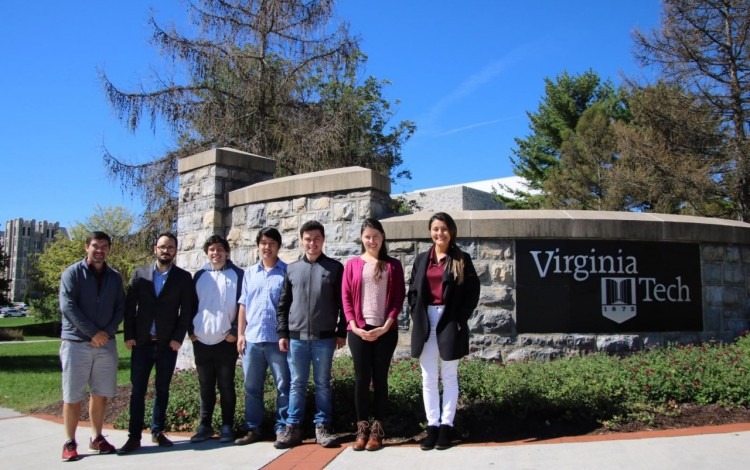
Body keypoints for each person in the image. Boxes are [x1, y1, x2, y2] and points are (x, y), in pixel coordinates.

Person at [118, 233, 196, 455]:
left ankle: (157, 431)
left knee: (163, 389)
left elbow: (186, 311)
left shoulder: (183, 278)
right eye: (162, 247)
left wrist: (177, 338)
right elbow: (129, 307)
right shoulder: (140, 274)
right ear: (155, 249)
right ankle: (134, 437)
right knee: (137, 391)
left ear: (176, 251)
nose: (166, 251)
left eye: (170, 247)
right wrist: (129, 335)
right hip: (142, 343)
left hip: (166, 345)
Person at [408, 212, 480, 451]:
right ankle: (432, 426)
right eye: (436, 229)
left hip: (450, 319)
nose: (440, 233)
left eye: (444, 229)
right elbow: (413, 291)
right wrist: (415, 313)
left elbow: (473, 292)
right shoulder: (421, 259)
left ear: (452, 231)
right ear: (430, 231)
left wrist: (460, 319)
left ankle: (447, 426)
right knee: (428, 377)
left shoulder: (462, 259)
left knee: (449, 375)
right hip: (425, 320)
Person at [274, 220, 346, 449]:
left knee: (323, 383)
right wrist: (282, 333)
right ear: (302, 240)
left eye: (316, 238)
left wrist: (341, 331)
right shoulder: (292, 269)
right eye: (307, 239)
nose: (312, 243)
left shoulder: (335, 268)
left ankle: (322, 427)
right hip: (296, 338)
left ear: (323, 240)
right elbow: (283, 305)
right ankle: (292, 427)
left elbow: (344, 304)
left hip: (324, 338)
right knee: (297, 383)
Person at [58, 231, 125, 461]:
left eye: (104, 246)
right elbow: (68, 307)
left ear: (109, 249)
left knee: (100, 393)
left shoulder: (114, 278)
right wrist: (92, 332)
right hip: (76, 343)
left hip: (105, 344)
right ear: (86, 247)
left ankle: (96, 437)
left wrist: (105, 333)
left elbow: (120, 308)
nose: (100, 250)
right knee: (72, 395)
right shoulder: (72, 274)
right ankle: (69, 442)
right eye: (95, 246)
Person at [342, 218, 405, 451]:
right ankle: (361, 429)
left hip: (385, 331)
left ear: (382, 238)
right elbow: (346, 298)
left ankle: (377, 431)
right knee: (361, 380)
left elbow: (398, 298)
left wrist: (386, 325)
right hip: (358, 330)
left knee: (380, 380)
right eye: (367, 236)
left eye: (376, 236)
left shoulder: (393, 265)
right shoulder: (352, 265)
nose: (371, 240)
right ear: (362, 238)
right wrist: (354, 326)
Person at [234, 227, 290, 445]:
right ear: (258, 245)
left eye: (272, 243)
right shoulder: (249, 273)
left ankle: (282, 428)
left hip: (277, 341)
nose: (267, 247)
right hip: (252, 340)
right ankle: (253, 429)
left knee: (283, 385)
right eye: (263, 243)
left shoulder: (286, 271)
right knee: (251, 387)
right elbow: (243, 305)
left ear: (278, 246)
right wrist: (240, 334)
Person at [190, 234, 244, 444]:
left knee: (226, 385)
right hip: (201, 341)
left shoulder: (238, 274)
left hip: (225, 341)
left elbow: (243, 305)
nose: (216, 253)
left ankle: (227, 425)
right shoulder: (199, 276)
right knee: (205, 386)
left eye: (220, 249)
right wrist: (191, 332)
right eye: (212, 249)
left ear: (226, 252)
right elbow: (190, 305)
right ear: (207, 253)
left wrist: (234, 332)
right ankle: (204, 425)